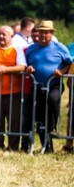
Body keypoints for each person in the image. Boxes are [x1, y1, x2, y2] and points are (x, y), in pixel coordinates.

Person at [24, 20, 71, 152]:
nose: (43, 35)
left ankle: (52, 127)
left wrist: (61, 72)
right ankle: (47, 146)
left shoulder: (60, 47)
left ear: (51, 34)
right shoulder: (32, 48)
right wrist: (28, 69)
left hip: (54, 84)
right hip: (37, 86)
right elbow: (26, 64)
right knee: (39, 116)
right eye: (41, 33)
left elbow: (69, 63)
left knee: (52, 99)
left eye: (46, 33)